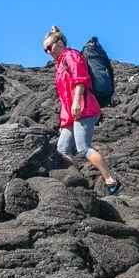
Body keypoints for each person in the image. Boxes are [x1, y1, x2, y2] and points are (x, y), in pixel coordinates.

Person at [43, 25, 122, 196]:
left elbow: (81, 80)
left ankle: (112, 182)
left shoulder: (71, 56)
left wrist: (77, 102)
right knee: (62, 149)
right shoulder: (60, 63)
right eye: (45, 50)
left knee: (83, 148)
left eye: (50, 47)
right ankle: (76, 181)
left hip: (83, 107)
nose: (48, 52)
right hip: (70, 113)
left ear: (60, 43)